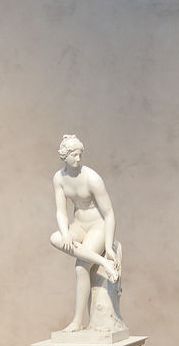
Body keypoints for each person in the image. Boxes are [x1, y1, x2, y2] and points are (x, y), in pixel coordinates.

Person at [49, 134, 124, 333]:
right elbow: (60, 211)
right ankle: (103, 264)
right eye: (74, 155)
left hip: (97, 225)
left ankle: (76, 321)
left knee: (81, 267)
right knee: (55, 238)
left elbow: (109, 214)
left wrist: (108, 246)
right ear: (64, 156)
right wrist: (65, 233)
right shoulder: (59, 178)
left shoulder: (92, 178)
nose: (78, 159)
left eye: (80, 154)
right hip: (79, 225)